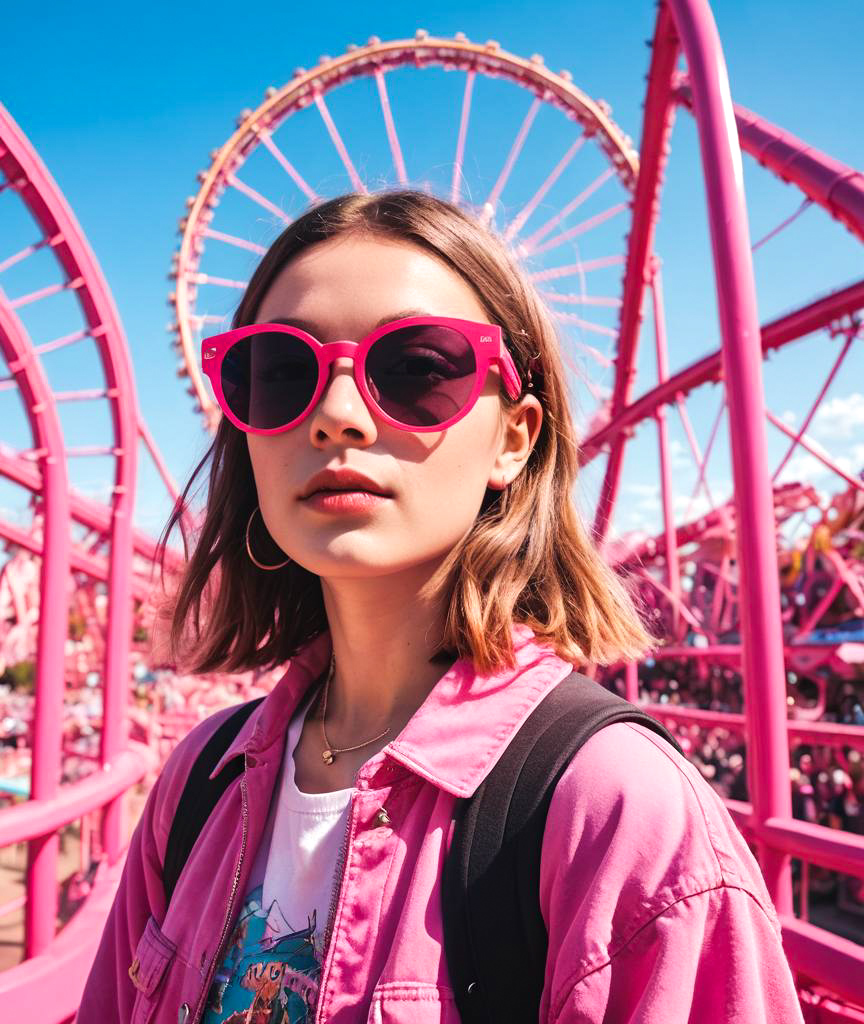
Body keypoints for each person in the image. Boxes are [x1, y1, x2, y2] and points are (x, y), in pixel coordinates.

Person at [78, 190, 804, 1023]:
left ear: (514, 438)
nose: (337, 417)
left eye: (418, 368)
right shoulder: (198, 783)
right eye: (281, 374)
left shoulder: (614, 812)